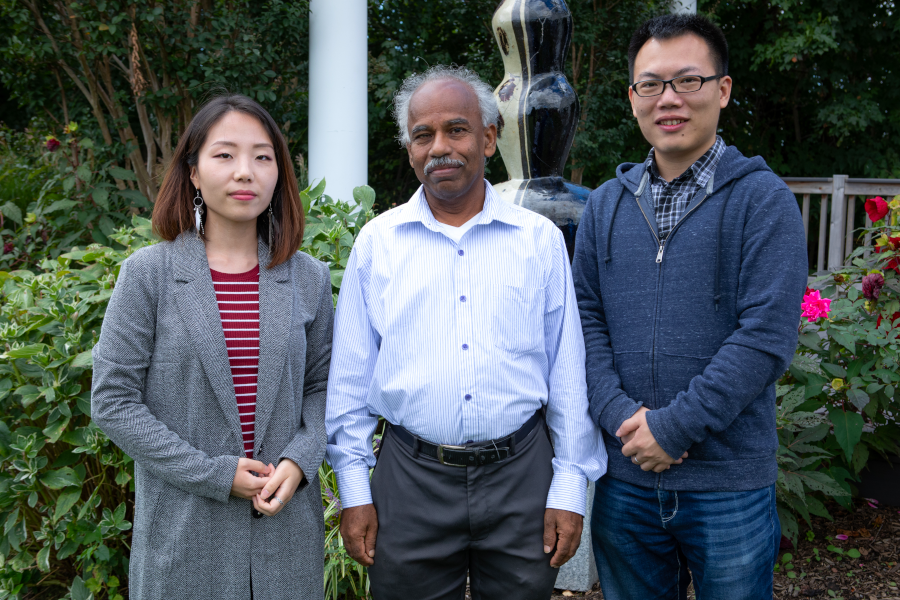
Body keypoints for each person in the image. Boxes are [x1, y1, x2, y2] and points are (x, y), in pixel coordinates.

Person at [325, 65, 605, 600]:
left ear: (489, 138)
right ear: (409, 148)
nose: (439, 148)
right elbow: (350, 386)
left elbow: (567, 371)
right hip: (411, 478)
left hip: (521, 475)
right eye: (422, 135)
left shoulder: (538, 241)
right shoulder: (377, 245)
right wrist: (355, 491)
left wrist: (569, 486)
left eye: (456, 129)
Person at [571, 14, 807, 600]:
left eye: (688, 81)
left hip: (727, 486)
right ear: (632, 99)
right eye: (651, 84)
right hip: (625, 478)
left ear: (722, 90)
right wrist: (624, 418)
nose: (668, 99)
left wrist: (672, 429)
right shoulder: (604, 207)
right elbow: (584, 321)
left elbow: (765, 338)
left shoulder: (762, 200)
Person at [91, 94, 333, 600]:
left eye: (262, 157)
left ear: (278, 172)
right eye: (225, 155)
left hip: (285, 535)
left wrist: (299, 461)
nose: (245, 172)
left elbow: (323, 388)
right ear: (194, 172)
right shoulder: (149, 274)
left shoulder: (309, 278)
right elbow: (113, 401)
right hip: (183, 533)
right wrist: (215, 474)